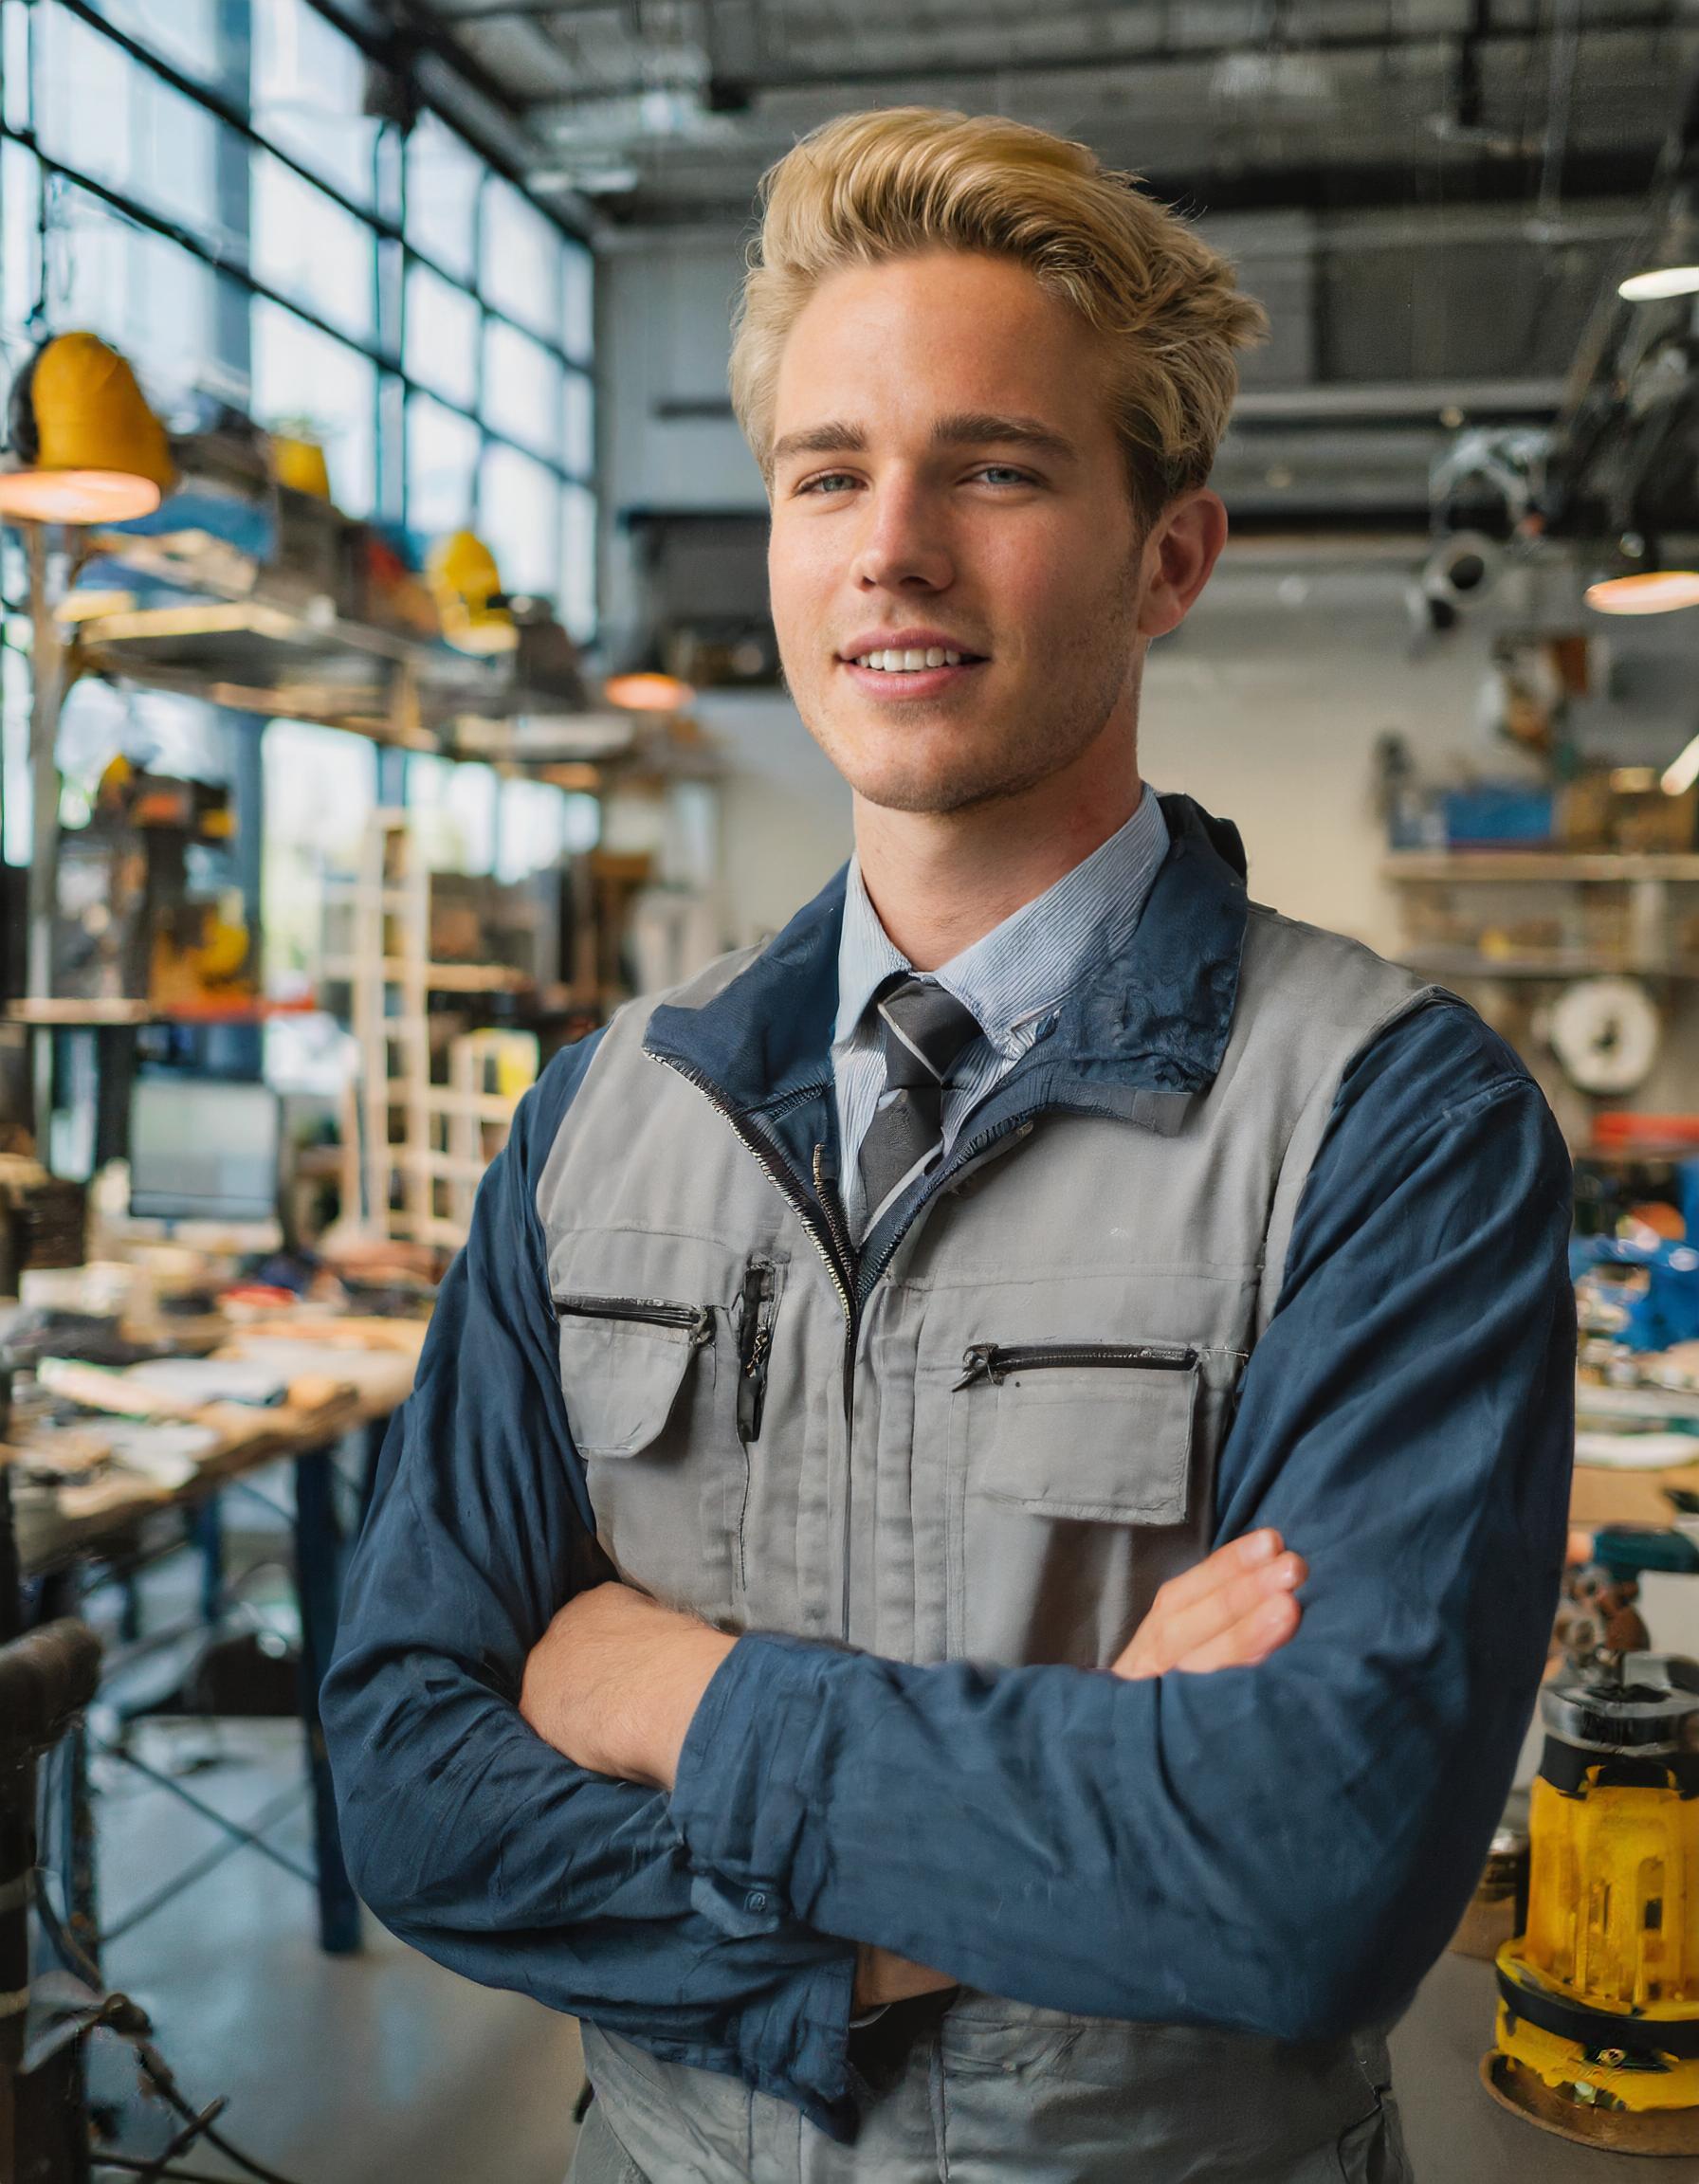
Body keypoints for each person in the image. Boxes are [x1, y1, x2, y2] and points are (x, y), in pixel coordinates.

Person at [321, 107, 1574, 2184]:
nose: (888, 544)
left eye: (990, 469)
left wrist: (667, 1698)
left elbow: (1304, 1884)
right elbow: (409, 1791)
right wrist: (1056, 1840)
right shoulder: (595, 1123)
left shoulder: (1389, 1129)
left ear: (1168, 553)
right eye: (828, 475)